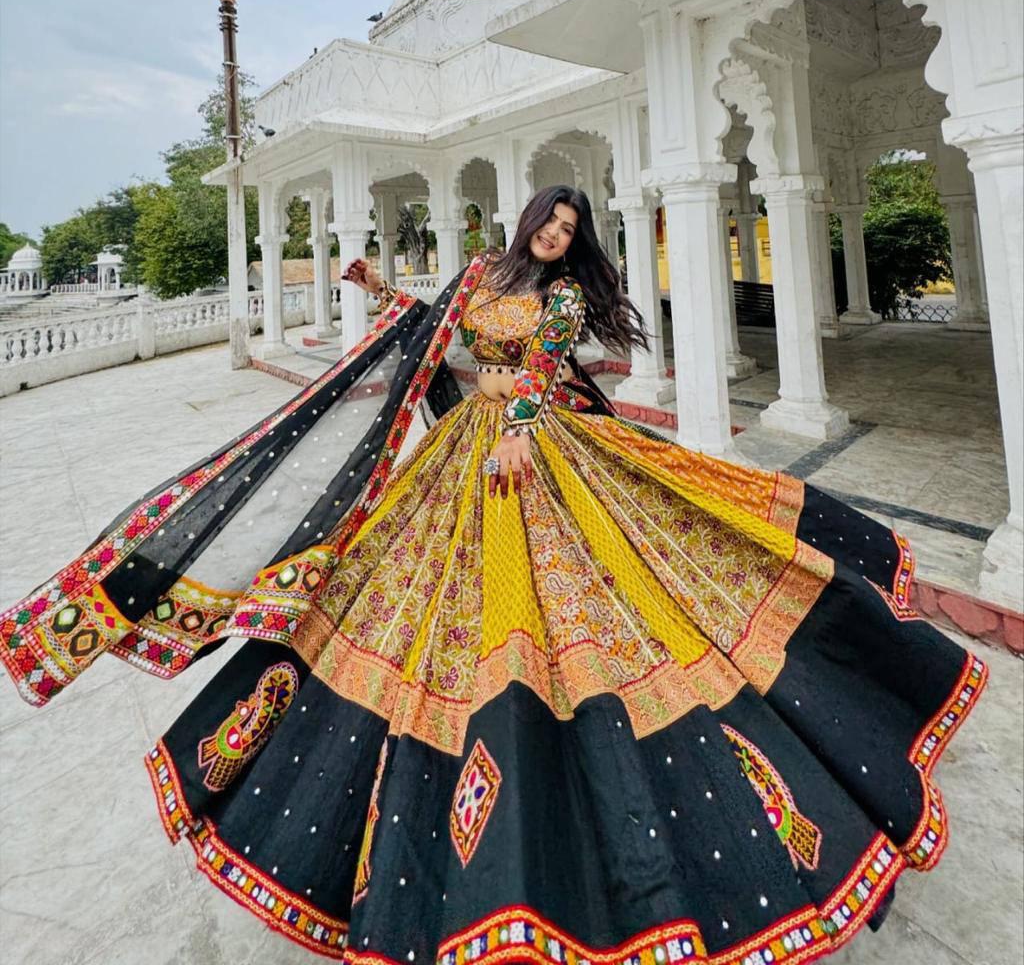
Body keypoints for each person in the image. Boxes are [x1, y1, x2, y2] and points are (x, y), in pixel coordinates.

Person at [0, 185, 985, 963]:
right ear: (525, 224)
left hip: (542, 454)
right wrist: (370, 286)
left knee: (603, 606)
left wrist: (517, 427)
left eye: (571, 225)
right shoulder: (479, 271)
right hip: (457, 460)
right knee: (394, 605)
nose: (557, 234)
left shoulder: (558, 301)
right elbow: (434, 332)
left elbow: (544, 362)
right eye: (549, 220)